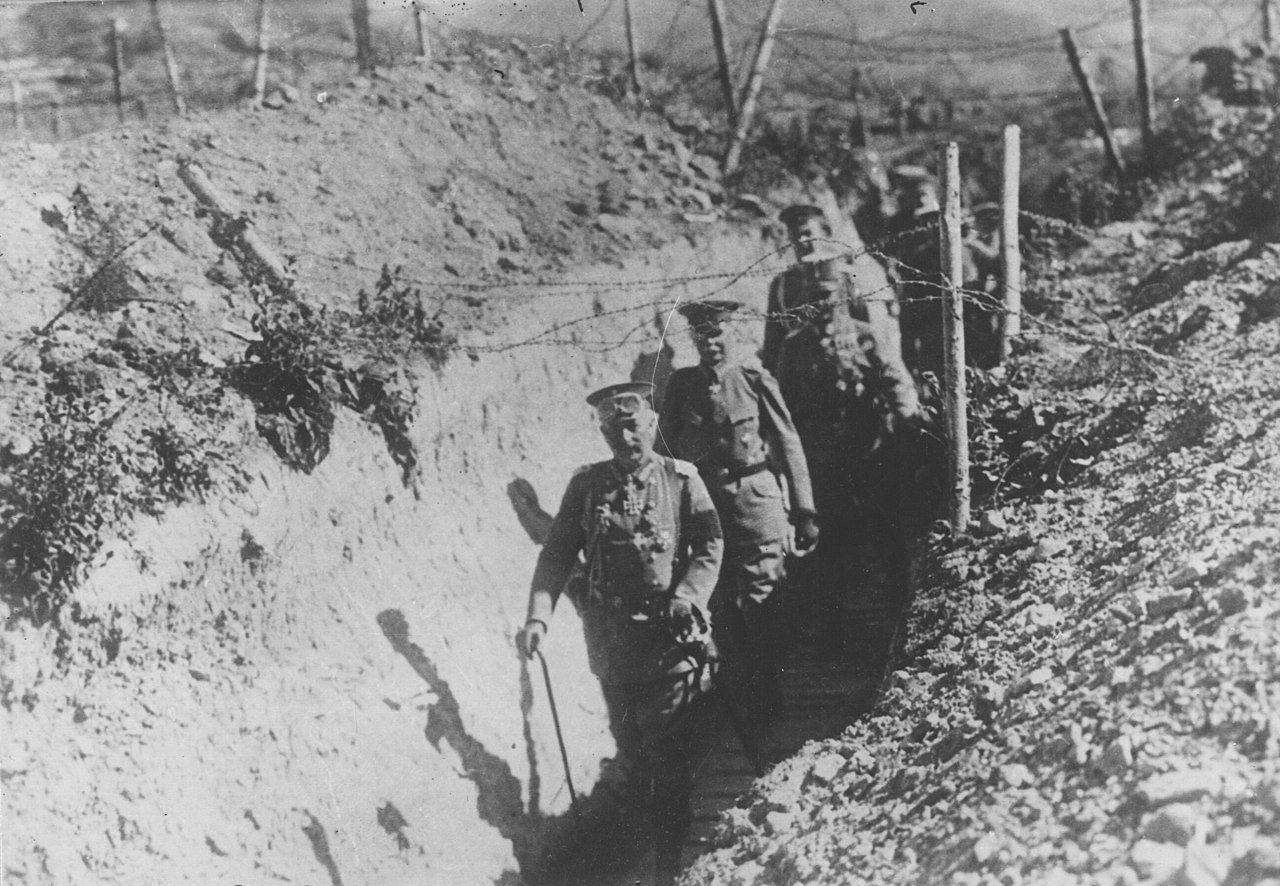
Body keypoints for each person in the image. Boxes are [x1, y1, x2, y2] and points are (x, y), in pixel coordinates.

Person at [516, 381, 723, 886]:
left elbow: (709, 543)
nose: (623, 436)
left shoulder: (681, 479)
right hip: (612, 647)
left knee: (666, 752)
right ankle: (633, 856)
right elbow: (557, 555)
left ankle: (669, 866)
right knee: (631, 749)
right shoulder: (587, 487)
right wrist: (539, 616)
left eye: (632, 424)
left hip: (670, 641)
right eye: (612, 428)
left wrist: (689, 596)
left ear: (652, 423)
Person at [658, 300, 818, 762]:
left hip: (756, 504)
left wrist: (804, 509)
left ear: (733, 335)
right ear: (692, 342)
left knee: (765, 602)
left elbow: (788, 441)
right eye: (701, 337)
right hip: (706, 512)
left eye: (718, 335)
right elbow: (664, 454)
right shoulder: (682, 387)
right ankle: (741, 704)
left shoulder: (753, 380)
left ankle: (769, 693)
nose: (711, 344)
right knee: (722, 609)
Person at [770, 254, 925, 654]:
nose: (820, 304)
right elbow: (782, 407)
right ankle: (834, 630)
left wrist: (906, 418)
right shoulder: (794, 346)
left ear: (840, 295)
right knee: (831, 546)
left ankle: (902, 613)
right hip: (822, 460)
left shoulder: (863, 335)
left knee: (884, 531)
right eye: (812, 297)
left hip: (868, 454)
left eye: (826, 296)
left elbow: (896, 380)